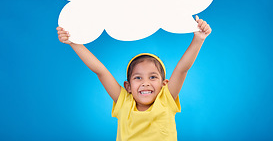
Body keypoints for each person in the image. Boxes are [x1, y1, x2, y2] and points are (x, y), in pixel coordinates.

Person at [56, 15, 211, 141]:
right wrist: (73, 42)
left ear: (164, 84)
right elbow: (100, 71)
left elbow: (182, 69)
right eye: (138, 78)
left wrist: (199, 39)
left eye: (152, 77)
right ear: (128, 86)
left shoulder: (166, 99)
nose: (145, 83)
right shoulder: (124, 102)